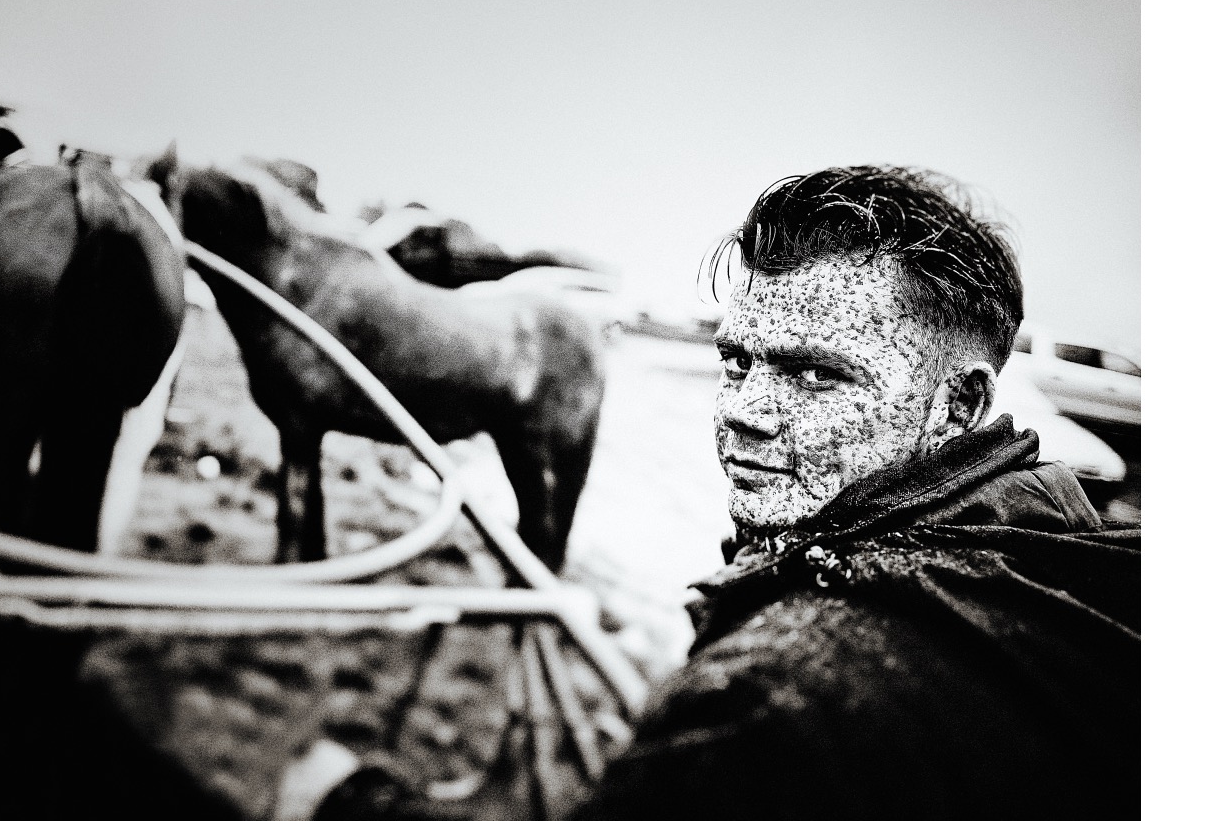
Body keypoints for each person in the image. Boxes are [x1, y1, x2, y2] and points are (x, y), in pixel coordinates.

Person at [298, 166, 1139, 821]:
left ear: (959, 404)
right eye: (736, 361)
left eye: (816, 374)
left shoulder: (767, 705)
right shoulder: (1095, 573)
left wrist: (342, 801)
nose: (743, 412)